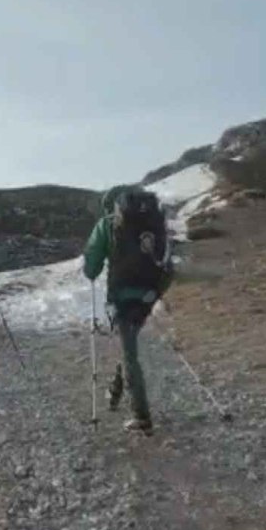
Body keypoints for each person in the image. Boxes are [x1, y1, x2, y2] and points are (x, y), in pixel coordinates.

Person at [82, 184, 173, 434]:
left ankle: (141, 415)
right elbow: (166, 261)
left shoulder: (108, 224)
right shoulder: (152, 221)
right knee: (128, 344)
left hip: (121, 297)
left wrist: (93, 265)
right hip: (148, 295)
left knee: (129, 353)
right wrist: (155, 293)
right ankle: (115, 391)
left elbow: (91, 267)